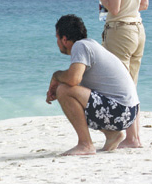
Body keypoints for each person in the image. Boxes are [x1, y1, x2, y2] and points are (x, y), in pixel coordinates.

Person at [46, 15, 140, 156]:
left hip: (120, 111)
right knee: (70, 91)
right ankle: (111, 135)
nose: (57, 42)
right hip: (129, 113)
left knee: (64, 90)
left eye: (57, 38)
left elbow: (73, 79)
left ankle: (85, 144)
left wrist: (56, 76)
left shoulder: (80, 46)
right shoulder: (91, 45)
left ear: (64, 39)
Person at [92, 0, 148, 148]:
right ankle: (134, 137)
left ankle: (132, 138)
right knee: (131, 84)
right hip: (138, 30)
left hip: (120, 32)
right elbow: (144, 4)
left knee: (121, 85)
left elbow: (113, 9)